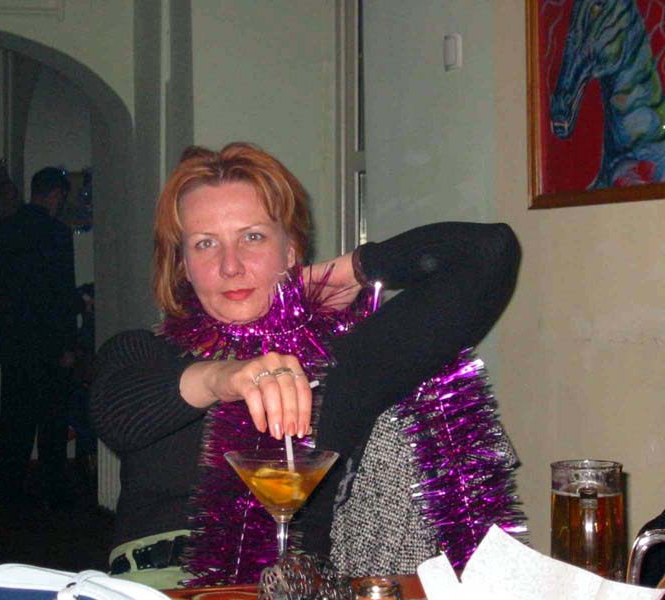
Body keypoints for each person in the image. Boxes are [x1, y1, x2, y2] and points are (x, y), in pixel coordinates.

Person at [90, 143, 524, 588]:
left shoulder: (338, 362)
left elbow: (489, 253)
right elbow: (116, 414)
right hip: (151, 588)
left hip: (289, 588)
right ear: (183, 265)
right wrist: (225, 377)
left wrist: (355, 269)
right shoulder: (145, 353)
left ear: (291, 251)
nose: (230, 266)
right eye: (205, 244)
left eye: (253, 237)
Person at [0, 167, 76, 507]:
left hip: (16, 341)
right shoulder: (57, 233)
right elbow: (61, 293)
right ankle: (54, 492)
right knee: (52, 423)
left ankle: (8, 493)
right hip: (49, 342)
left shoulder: (3, 231)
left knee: (15, 423)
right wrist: (68, 344)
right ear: (55, 194)